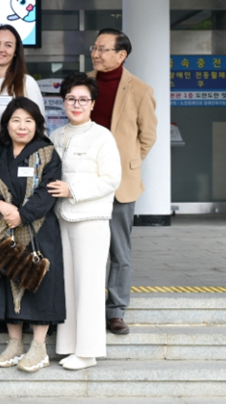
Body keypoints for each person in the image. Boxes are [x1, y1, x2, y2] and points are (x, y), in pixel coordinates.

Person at [0, 97, 65, 373]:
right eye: (16, 120)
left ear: (37, 124)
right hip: (2, 227)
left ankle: (38, 347)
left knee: (38, 282)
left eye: (28, 120)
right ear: (6, 124)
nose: (22, 126)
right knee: (7, 279)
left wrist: (22, 215)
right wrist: (1, 206)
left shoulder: (47, 153)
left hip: (38, 229)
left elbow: (48, 191)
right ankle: (15, 344)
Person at [47, 72, 121, 370]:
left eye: (83, 100)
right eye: (71, 99)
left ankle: (88, 352)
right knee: (68, 286)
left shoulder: (103, 136)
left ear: (92, 103)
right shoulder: (56, 136)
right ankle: (68, 346)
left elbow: (111, 179)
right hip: (61, 218)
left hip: (90, 219)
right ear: (63, 102)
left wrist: (73, 190)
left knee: (89, 286)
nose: (76, 104)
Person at [89, 28, 158, 335]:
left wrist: (126, 164)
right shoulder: (83, 83)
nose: (96, 53)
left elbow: (148, 136)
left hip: (120, 183)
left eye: (103, 49)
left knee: (119, 251)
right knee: (86, 248)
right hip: (84, 181)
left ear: (121, 55)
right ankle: (87, 306)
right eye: (94, 47)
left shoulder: (140, 90)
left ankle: (116, 310)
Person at [0, 25, 45, 140]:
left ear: (15, 51)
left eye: (8, 45)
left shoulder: (26, 83)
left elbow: (40, 127)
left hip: (13, 150)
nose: (0, 49)